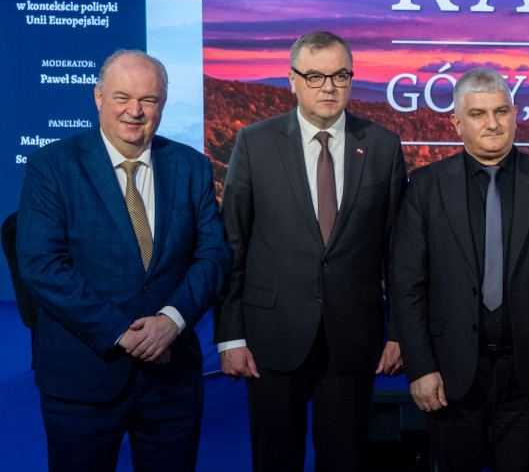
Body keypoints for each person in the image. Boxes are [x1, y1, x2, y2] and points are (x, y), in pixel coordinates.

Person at [17, 50, 231, 471]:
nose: (135, 111)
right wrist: (121, 332)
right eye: (122, 97)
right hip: (83, 376)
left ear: (164, 104)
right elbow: (42, 264)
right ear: (98, 98)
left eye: (148, 100)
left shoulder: (191, 166)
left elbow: (213, 254)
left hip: (172, 379)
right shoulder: (52, 166)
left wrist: (172, 319)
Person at [214, 31, 407, 472]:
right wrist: (231, 335)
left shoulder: (382, 145)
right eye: (315, 75)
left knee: (346, 460)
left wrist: (398, 333)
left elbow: (398, 252)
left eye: (340, 75)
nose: (328, 86)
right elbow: (234, 245)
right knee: (275, 460)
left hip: (353, 339)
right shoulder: (255, 143)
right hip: (271, 337)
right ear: (292, 79)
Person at [390, 68, 529, 472]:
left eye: (501, 111)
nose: (492, 123)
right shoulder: (425, 186)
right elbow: (407, 285)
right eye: (478, 113)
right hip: (449, 375)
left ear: (515, 114)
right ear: (456, 123)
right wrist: (421, 367)